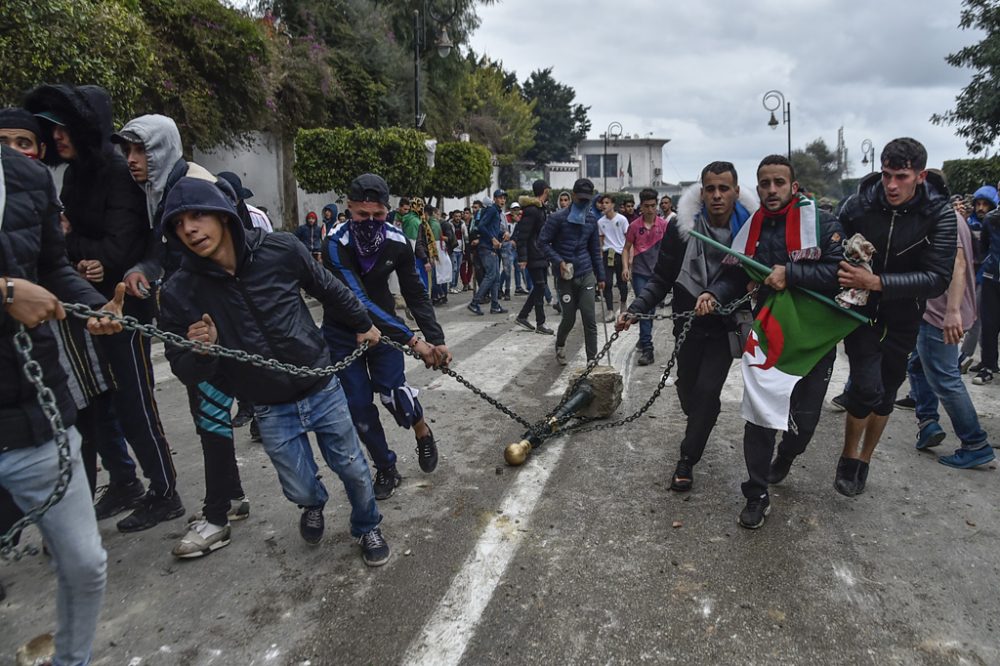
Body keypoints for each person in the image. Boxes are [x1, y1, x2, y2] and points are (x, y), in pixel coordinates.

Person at [157, 175, 391, 566]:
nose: (190, 229)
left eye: (198, 215)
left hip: (320, 385)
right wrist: (203, 351)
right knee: (297, 485)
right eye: (178, 224)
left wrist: (362, 324)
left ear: (223, 213)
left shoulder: (280, 249)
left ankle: (367, 526)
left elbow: (328, 289)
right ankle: (313, 503)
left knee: (352, 468)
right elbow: (183, 366)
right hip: (267, 404)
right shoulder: (181, 291)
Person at [25, 83, 184, 532]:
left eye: (62, 127)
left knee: (134, 401)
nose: (55, 137)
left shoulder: (116, 172)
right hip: (82, 305)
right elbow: (63, 246)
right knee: (93, 402)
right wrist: (70, 248)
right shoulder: (74, 174)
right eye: (49, 129)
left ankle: (165, 490)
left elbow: (117, 246)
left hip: (123, 305)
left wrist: (69, 242)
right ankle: (123, 481)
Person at [1, 141, 126, 666]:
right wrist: (5, 292)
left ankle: (70, 660)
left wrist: (93, 306)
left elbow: (52, 267)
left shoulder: (28, 182)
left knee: (84, 564)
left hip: (36, 411)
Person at [111, 115, 250, 557]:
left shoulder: (195, 185)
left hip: (211, 321)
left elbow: (236, 251)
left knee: (210, 412)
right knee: (205, 410)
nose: (132, 161)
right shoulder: (160, 190)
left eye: (140, 151)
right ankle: (231, 498)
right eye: (127, 152)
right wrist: (145, 274)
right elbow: (164, 257)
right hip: (193, 315)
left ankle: (215, 516)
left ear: (162, 149)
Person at [708, 155, 845, 528]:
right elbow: (732, 273)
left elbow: (841, 271)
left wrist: (793, 274)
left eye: (778, 183)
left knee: (804, 421)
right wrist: (713, 294)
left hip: (814, 335)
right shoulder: (751, 227)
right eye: (764, 183)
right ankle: (756, 493)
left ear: (793, 186)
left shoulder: (822, 222)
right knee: (760, 417)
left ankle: (786, 456)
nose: (771, 190)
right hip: (768, 335)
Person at [618, 162, 756, 491]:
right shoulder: (681, 230)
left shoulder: (750, 231)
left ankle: (686, 459)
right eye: (711, 189)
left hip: (724, 327)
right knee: (688, 391)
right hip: (687, 325)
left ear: (736, 191)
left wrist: (714, 293)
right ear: (702, 192)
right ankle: (701, 414)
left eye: (724, 188)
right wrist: (636, 309)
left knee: (707, 394)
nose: (717, 195)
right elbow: (662, 277)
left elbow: (739, 277)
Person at [836, 138, 956, 496]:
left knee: (887, 393)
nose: (891, 185)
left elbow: (938, 279)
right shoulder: (859, 202)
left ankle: (865, 460)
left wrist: (878, 282)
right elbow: (833, 237)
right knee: (864, 387)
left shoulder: (939, 212)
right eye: (887, 174)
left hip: (905, 315)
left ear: (919, 175)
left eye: (901, 176)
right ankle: (847, 456)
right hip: (860, 314)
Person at [323, 174, 451, 499]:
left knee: (395, 394)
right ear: (349, 209)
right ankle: (386, 467)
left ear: (388, 212)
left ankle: (421, 429)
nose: (369, 222)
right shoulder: (335, 243)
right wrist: (414, 341)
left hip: (386, 329)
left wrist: (436, 340)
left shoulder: (397, 242)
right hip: (342, 332)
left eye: (377, 216)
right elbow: (357, 301)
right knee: (357, 407)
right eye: (361, 215)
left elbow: (415, 293)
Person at [907, 201, 995, 468]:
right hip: (940, 309)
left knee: (945, 378)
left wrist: (952, 311)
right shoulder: (954, 218)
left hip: (940, 311)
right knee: (919, 365)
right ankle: (928, 423)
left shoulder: (943, 219)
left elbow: (958, 264)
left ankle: (974, 442)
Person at [539, 178, 606, 364]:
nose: (583, 202)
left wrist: (601, 276)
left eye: (587, 199)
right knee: (568, 318)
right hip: (565, 276)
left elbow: (595, 250)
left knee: (589, 317)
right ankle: (560, 345)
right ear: (573, 195)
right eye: (580, 198)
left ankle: (592, 360)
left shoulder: (592, 220)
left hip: (586, 274)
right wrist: (558, 260)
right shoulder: (557, 218)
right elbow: (542, 242)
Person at [622, 189, 670, 366]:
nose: (650, 209)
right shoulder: (634, 226)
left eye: (653, 205)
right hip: (640, 273)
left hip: (658, 275)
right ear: (640, 206)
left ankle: (644, 338)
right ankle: (648, 348)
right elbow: (626, 248)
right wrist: (625, 267)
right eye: (646, 206)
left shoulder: (664, 225)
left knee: (651, 309)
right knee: (645, 309)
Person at [514, 179, 555, 335]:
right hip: (534, 254)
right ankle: (540, 323)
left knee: (540, 286)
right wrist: (523, 258)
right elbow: (522, 235)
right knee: (540, 286)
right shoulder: (532, 210)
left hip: (540, 254)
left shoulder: (541, 209)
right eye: (548, 190)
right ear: (545, 191)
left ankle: (523, 316)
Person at [972, 184, 1000, 382]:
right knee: (989, 325)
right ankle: (989, 365)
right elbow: (983, 248)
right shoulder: (992, 219)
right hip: (992, 276)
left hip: (992, 273)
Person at [467, 189, 509, 315]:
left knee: (495, 277)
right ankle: (475, 303)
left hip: (492, 248)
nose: (502, 200)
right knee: (491, 275)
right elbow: (481, 226)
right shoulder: (492, 210)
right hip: (486, 248)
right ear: (495, 199)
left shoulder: (496, 211)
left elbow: (492, 229)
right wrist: (492, 239)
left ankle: (495, 305)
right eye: (500, 197)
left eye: (504, 198)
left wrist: (503, 234)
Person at [597, 194, 630, 323]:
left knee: (622, 283)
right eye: (602, 203)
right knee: (607, 283)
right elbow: (601, 240)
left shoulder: (622, 219)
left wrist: (629, 259)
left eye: (607, 202)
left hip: (620, 253)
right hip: (607, 254)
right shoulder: (600, 222)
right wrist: (600, 256)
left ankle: (623, 303)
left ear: (612, 205)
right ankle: (610, 310)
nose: (604, 205)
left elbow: (628, 239)